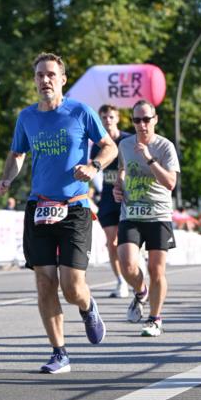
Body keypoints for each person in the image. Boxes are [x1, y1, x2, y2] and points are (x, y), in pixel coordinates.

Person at [0, 53, 117, 374]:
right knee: (44, 283)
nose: (44, 80)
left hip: (75, 207)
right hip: (39, 206)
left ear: (63, 79)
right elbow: (17, 153)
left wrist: (93, 166)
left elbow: (110, 147)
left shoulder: (80, 111)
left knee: (72, 285)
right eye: (39, 75)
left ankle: (88, 307)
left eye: (51, 74)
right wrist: (8, 176)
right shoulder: (27, 117)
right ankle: (59, 352)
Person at [113, 101, 180, 338]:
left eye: (146, 119)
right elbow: (122, 169)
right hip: (131, 213)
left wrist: (150, 159)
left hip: (158, 214)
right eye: (137, 120)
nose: (142, 125)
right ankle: (140, 292)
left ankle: (155, 318)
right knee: (127, 264)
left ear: (155, 119)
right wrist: (118, 187)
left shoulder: (165, 147)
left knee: (156, 269)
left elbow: (171, 183)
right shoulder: (125, 144)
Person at [91, 104, 131, 298]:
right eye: (104, 117)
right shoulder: (97, 145)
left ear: (118, 119)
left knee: (129, 241)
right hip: (107, 198)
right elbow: (92, 171)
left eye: (111, 117)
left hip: (128, 197)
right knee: (112, 242)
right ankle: (121, 281)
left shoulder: (128, 140)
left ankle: (136, 264)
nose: (108, 120)